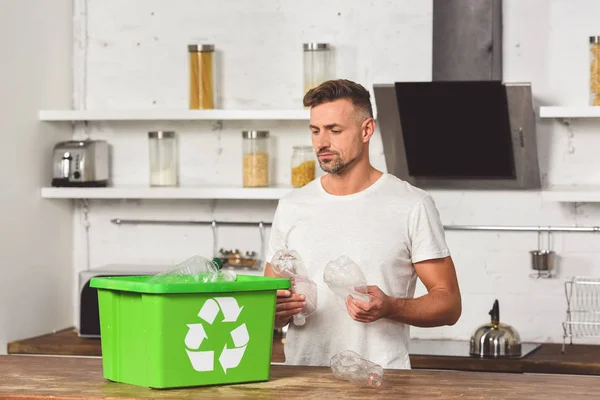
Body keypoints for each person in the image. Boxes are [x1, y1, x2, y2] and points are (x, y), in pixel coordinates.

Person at [264, 79, 461, 369]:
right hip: (303, 382)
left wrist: (391, 307)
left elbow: (449, 305)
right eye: (315, 131)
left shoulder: (411, 205)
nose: (322, 142)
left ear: (366, 129)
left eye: (334, 130)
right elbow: (267, 303)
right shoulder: (292, 206)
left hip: (381, 384)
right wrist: (277, 312)